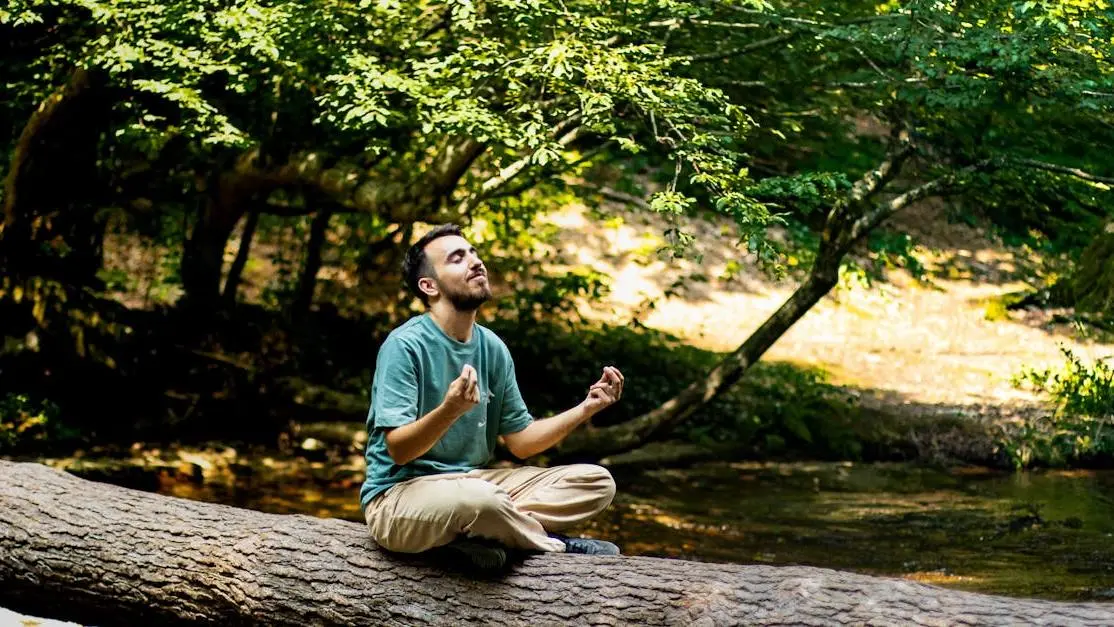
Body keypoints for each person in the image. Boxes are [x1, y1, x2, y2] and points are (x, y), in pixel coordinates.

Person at [360, 223, 625, 570]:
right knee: (482, 501)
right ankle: (554, 546)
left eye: (473, 253)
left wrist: (586, 408)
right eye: (457, 258)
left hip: (471, 486)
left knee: (596, 482)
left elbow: (521, 442)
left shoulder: (492, 348)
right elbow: (399, 448)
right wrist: (450, 410)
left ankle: (474, 539)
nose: (475, 262)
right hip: (398, 498)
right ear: (429, 286)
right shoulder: (404, 346)